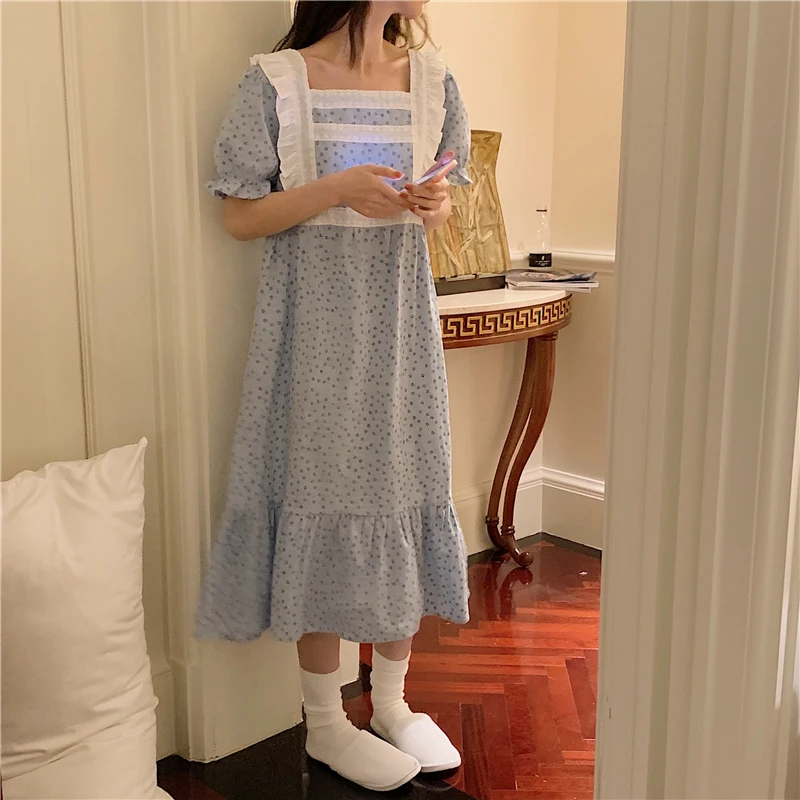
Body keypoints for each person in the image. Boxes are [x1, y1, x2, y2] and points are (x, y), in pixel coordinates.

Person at [196, 0, 471, 791]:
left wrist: (434, 204)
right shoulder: (278, 82)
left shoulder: (434, 82)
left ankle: (392, 703)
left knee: (404, 494)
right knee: (320, 499)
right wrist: (336, 189)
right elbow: (240, 217)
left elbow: (447, 202)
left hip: (401, 331)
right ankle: (324, 723)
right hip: (311, 330)